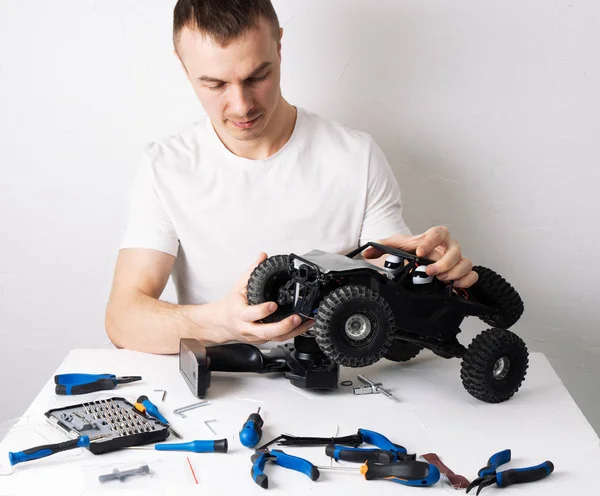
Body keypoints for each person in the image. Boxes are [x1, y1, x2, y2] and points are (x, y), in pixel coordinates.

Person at [105, 0, 478, 355]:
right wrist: (222, 323)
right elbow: (123, 319)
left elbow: (388, 275)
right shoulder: (166, 167)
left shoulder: (355, 157)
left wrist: (432, 268)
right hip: (222, 390)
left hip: (344, 384)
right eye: (215, 84)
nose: (241, 105)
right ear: (183, 66)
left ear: (279, 46)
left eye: (258, 75)